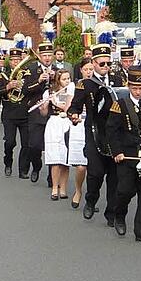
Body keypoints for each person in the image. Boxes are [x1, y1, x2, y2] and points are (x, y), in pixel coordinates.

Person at [67, 22, 124, 224]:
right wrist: (73, 115)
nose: (107, 67)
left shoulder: (118, 81)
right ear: (94, 63)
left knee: (115, 176)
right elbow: (74, 106)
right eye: (102, 64)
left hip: (114, 133)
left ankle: (112, 213)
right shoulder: (86, 84)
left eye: (109, 64)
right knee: (96, 173)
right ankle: (91, 200)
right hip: (94, 131)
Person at [106, 65, 141, 243]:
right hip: (127, 154)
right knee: (125, 190)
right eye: (134, 88)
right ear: (128, 86)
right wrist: (117, 151)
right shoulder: (120, 104)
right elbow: (111, 130)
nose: (138, 92)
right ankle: (120, 214)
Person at [0, 47, 30, 178]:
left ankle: (23, 170)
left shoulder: (27, 75)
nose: (16, 62)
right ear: (9, 62)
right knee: (10, 142)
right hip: (9, 114)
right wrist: (7, 87)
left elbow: (31, 91)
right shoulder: (3, 76)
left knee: (26, 144)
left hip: (24, 113)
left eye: (18, 60)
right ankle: (8, 163)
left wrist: (23, 86)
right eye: (13, 60)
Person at [23, 38, 55, 182]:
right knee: (34, 145)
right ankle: (36, 166)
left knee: (52, 146)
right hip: (36, 111)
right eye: (45, 55)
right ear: (40, 56)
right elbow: (25, 90)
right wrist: (39, 81)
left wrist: (56, 80)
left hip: (53, 112)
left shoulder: (58, 70)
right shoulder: (31, 69)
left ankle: (51, 176)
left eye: (49, 55)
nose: (47, 58)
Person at [41, 70, 74, 200]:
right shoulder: (49, 92)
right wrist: (44, 105)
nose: (67, 81)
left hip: (67, 122)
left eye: (68, 78)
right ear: (58, 80)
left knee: (66, 158)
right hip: (54, 123)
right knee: (55, 157)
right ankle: (55, 188)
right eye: (64, 79)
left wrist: (55, 102)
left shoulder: (72, 92)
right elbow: (44, 113)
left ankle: (63, 188)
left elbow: (68, 108)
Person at [68, 60, 93, 208]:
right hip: (79, 126)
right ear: (81, 70)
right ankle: (78, 190)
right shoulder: (76, 86)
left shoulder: (99, 85)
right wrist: (74, 114)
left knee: (93, 166)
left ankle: (91, 195)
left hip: (93, 127)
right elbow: (71, 107)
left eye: (91, 69)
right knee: (81, 166)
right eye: (86, 69)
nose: (89, 72)